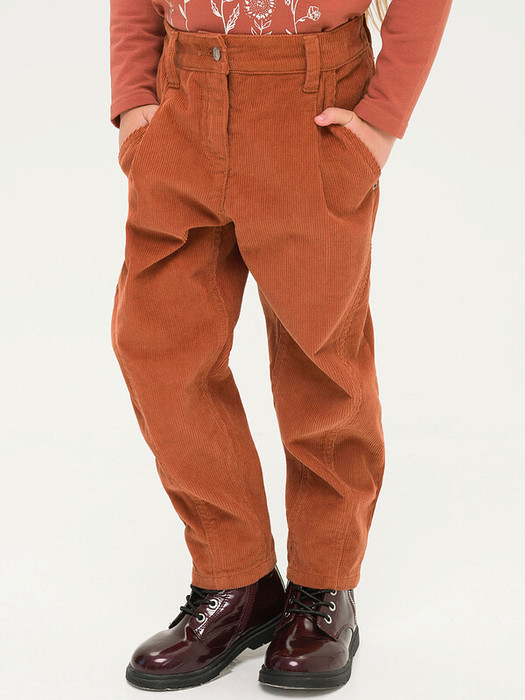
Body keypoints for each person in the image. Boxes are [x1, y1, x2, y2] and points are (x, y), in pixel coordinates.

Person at [109, 0, 452, 691]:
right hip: (182, 96)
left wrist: (380, 123)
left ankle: (324, 586)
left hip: (311, 101)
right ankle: (235, 580)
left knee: (320, 359)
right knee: (156, 346)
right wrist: (133, 101)